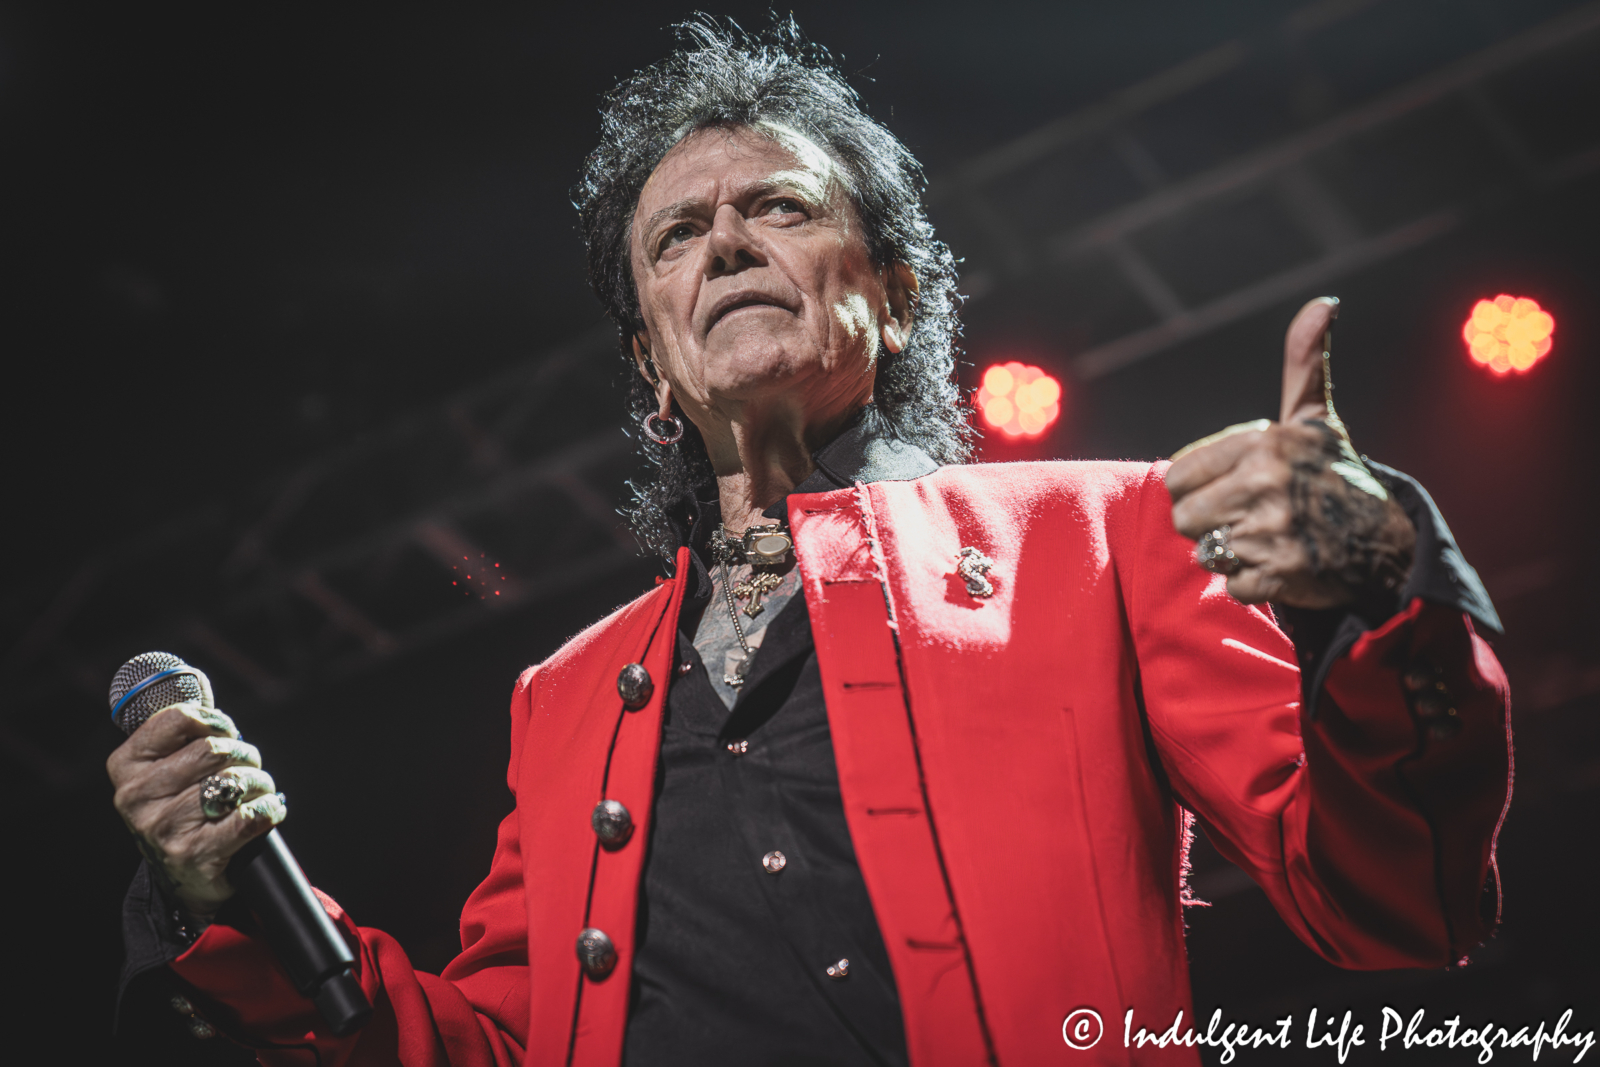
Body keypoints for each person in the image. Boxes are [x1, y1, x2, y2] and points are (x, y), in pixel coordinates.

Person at [108, 19, 1510, 1067]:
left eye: (777, 206)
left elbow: (1393, 900)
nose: (724, 244)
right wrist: (232, 899)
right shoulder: (563, 697)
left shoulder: (1100, 534)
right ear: (654, 364)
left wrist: (1381, 594)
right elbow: (497, 1046)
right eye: (677, 236)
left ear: (892, 297)